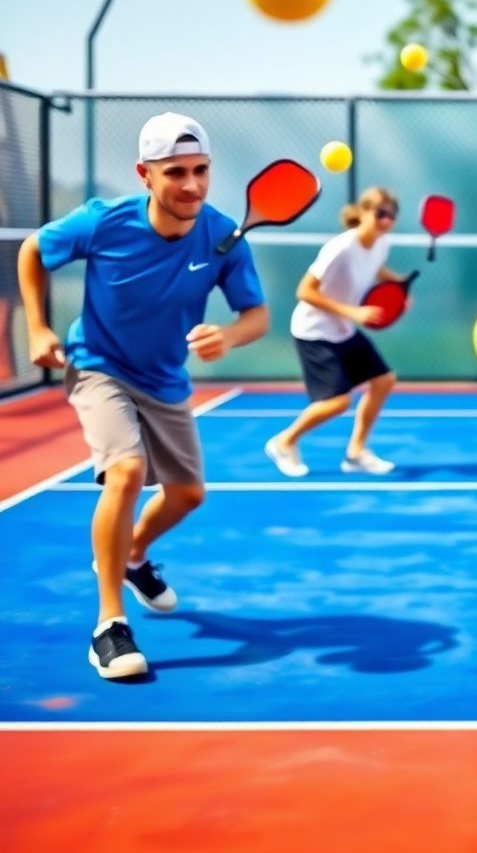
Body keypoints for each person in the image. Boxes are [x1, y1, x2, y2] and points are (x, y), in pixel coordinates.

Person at [17, 112, 268, 680]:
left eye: (201, 170)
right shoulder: (104, 223)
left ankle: (132, 556)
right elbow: (33, 249)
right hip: (99, 366)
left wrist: (227, 335)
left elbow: (257, 315)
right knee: (126, 473)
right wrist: (37, 327)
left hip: (166, 381)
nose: (192, 185)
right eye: (176, 172)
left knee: (187, 496)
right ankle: (110, 625)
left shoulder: (224, 235)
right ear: (145, 176)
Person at [264, 185, 401, 477]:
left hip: (342, 328)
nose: (387, 220)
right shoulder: (340, 248)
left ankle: (356, 453)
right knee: (338, 402)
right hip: (314, 331)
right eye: (380, 212)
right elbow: (304, 290)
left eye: (392, 213)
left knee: (383, 381)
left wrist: (397, 284)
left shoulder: (381, 243)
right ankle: (283, 442)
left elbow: (375, 267)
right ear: (364, 212)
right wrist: (353, 311)